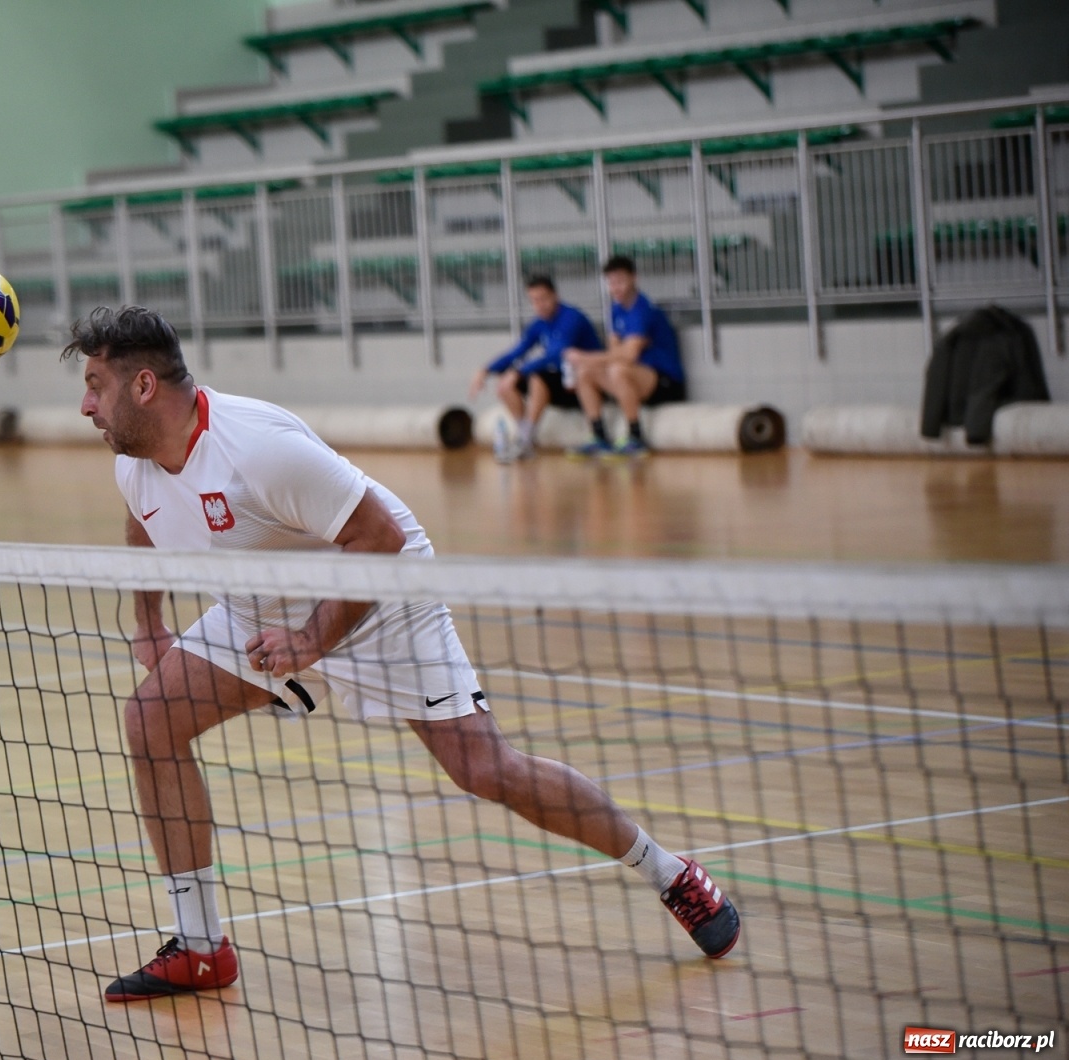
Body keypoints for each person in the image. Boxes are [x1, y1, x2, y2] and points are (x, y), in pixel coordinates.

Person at [66, 305, 740, 1003]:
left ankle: (669, 873)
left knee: (485, 769)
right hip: (262, 606)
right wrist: (148, 620)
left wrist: (310, 642)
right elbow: (145, 521)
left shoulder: (257, 449)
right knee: (152, 721)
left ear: (143, 385)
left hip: (381, 601)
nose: (86, 406)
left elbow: (378, 538)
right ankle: (201, 948)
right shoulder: (136, 461)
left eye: (95, 384)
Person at [469, 274, 602, 463]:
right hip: (560, 381)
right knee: (505, 382)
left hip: (582, 384)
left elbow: (556, 353)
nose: (540, 305)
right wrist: (485, 370)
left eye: (543, 299)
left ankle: (525, 438)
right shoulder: (539, 324)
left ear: (555, 296)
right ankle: (525, 436)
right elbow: (517, 351)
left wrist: (518, 372)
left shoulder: (572, 318)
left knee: (536, 377)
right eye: (534, 300)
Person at [566, 255, 687, 458]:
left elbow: (629, 355)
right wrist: (589, 362)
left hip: (665, 381)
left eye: (620, 281)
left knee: (617, 369)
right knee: (585, 372)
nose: (616, 288)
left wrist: (586, 356)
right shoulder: (615, 310)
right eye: (611, 283)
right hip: (634, 378)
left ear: (634, 278)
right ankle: (598, 437)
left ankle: (636, 437)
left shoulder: (643, 309)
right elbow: (614, 351)